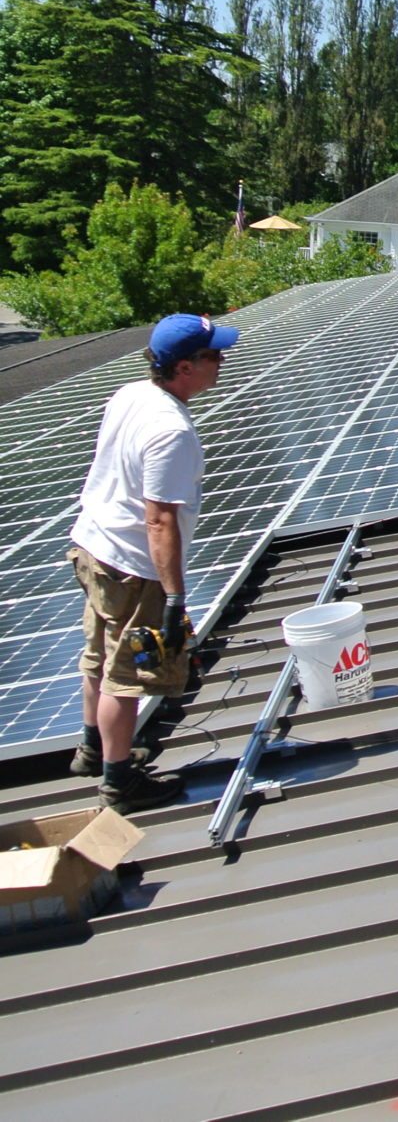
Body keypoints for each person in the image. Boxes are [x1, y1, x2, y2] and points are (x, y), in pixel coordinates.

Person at [66, 313, 238, 813]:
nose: (221, 360)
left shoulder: (131, 394)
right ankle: (120, 781)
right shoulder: (171, 432)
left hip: (92, 549)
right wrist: (175, 597)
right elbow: (159, 520)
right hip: (132, 570)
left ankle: (92, 748)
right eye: (212, 355)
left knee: (98, 655)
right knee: (129, 675)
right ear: (185, 367)